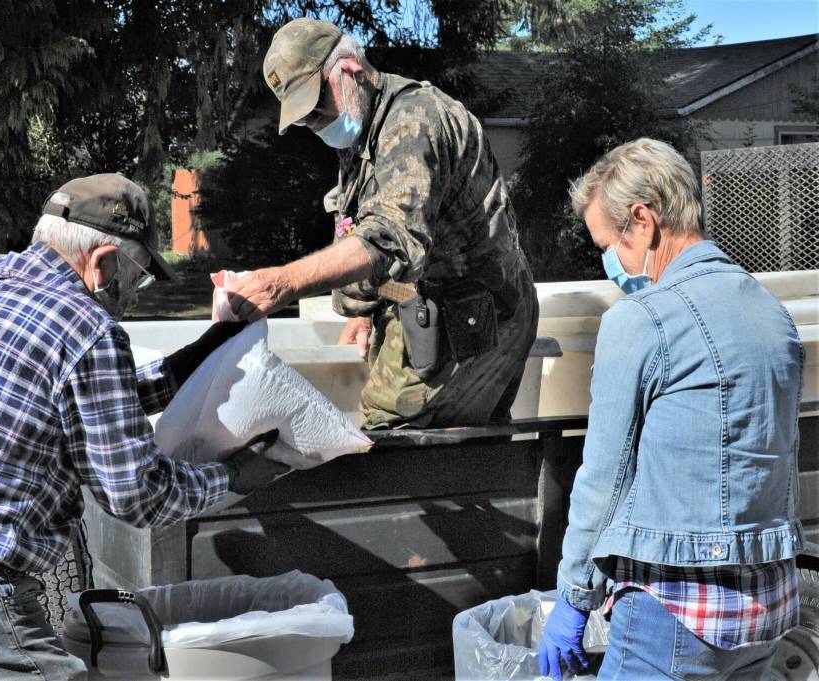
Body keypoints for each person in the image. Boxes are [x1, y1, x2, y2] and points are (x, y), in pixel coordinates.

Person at [0, 174, 288, 679]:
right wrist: (236, 476)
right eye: (138, 276)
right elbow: (138, 496)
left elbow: (84, 401)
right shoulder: (86, 327)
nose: (134, 294)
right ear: (102, 263)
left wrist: (213, 345)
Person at [538, 139, 805, 680]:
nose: (611, 263)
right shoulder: (772, 313)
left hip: (678, 612)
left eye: (609, 244)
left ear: (643, 219)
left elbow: (604, 480)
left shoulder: (642, 320)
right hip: (767, 610)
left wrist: (574, 595)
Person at [225, 18, 538, 429]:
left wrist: (282, 282)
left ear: (351, 70)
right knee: (457, 453)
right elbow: (361, 227)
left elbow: (389, 238)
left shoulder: (413, 122)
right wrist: (361, 311)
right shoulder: (364, 129)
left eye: (317, 106)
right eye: (303, 118)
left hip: (474, 313)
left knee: (390, 435)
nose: (313, 124)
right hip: (427, 305)